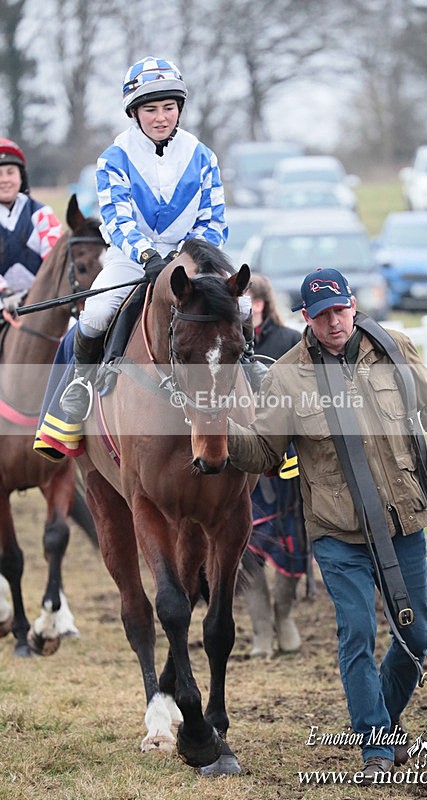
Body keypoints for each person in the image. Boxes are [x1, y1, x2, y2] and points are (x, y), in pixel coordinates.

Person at [227, 267, 427, 782]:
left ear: (353, 304)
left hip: (402, 518)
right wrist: (215, 427)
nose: (334, 322)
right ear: (306, 318)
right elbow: (263, 450)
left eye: (339, 310)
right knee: (357, 631)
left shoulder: (394, 348)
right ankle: (376, 746)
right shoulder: (287, 376)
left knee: (418, 635)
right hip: (338, 532)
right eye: (321, 315)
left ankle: (379, 719)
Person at [59, 55, 227, 422]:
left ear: (179, 109)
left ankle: (252, 376)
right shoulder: (113, 159)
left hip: (193, 259)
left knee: (241, 307)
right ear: (135, 113)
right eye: (150, 109)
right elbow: (117, 220)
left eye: (169, 107)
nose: (161, 117)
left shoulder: (203, 157)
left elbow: (213, 219)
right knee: (97, 311)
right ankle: (81, 383)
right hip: (131, 258)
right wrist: (149, 255)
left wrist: (188, 256)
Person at [241, 274, 305, 657]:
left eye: (255, 301)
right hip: (247, 465)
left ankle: (285, 618)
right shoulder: (229, 341)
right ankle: (261, 631)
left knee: (294, 548)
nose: (250, 308)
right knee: (247, 551)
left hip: (289, 464)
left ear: (263, 304)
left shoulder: (289, 342)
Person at [0, 138, 62, 307]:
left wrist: (36, 296)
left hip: (41, 303)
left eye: (10, 172)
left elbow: (54, 261)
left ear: (21, 177)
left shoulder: (42, 214)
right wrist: (5, 292)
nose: (5, 180)